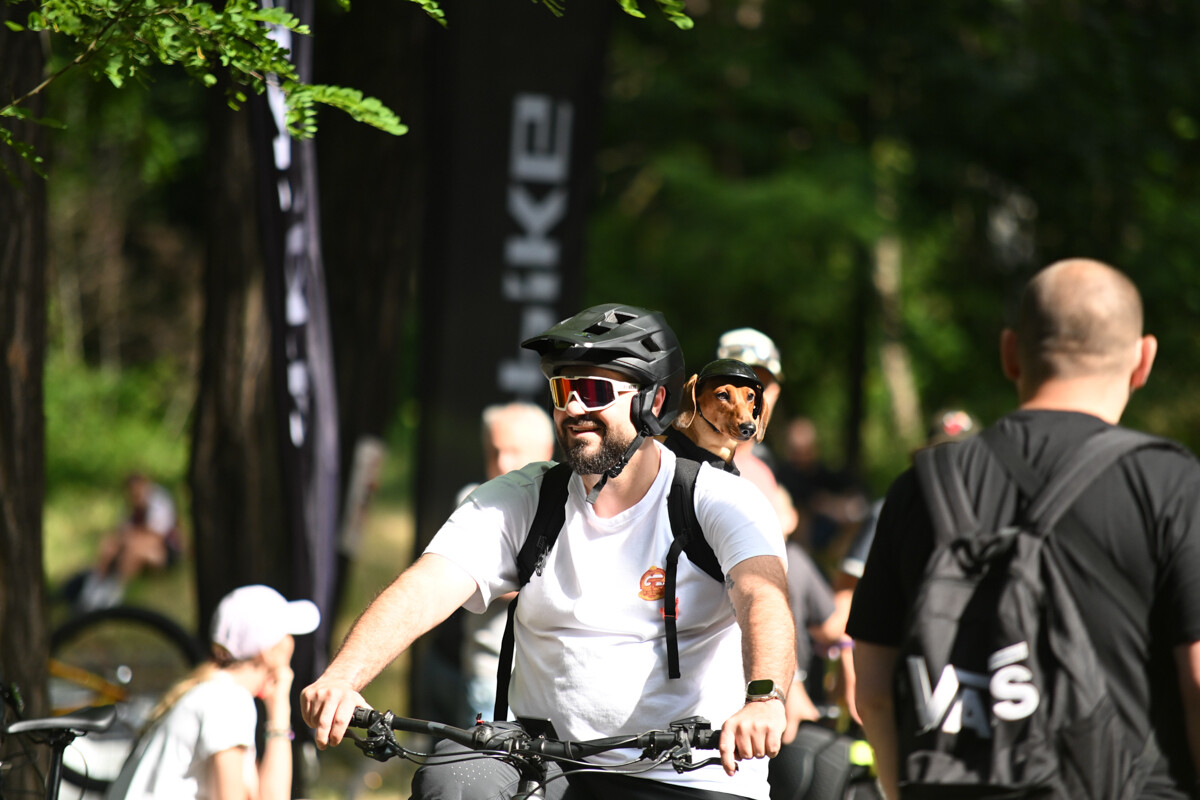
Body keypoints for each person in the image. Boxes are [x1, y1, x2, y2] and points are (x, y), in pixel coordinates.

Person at [302, 303, 795, 800]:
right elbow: (427, 585)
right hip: (546, 766)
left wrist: (765, 698)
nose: (574, 407)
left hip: (686, 772)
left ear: (653, 399)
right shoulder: (525, 497)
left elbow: (763, 599)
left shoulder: (717, 499)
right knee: (453, 783)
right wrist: (343, 677)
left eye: (596, 391)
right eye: (564, 390)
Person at [847, 258, 1200, 799]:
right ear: (1143, 360)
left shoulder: (922, 485)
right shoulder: (1173, 484)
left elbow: (871, 689)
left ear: (1010, 352)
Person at [106, 584, 320, 800]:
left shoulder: (216, 691)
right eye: (288, 634)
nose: (293, 641)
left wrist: (279, 712)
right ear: (268, 652)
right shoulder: (228, 701)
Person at [459, 401, 556, 720]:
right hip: (494, 676)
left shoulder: (572, 503)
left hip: (553, 683)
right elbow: (487, 581)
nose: (502, 463)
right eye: (494, 452)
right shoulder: (475, 501)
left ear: (546, 450)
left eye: (513, 451)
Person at [75, 473, 184, 611]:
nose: (134, 497)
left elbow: (155, 537)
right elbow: (121, 531)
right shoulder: (130, 505)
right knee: (108, 544)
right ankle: (91, 591)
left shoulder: (160, 501)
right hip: (137, 547)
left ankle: (111, 597)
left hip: (166, 552)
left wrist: (127, 539)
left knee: (134, 549)